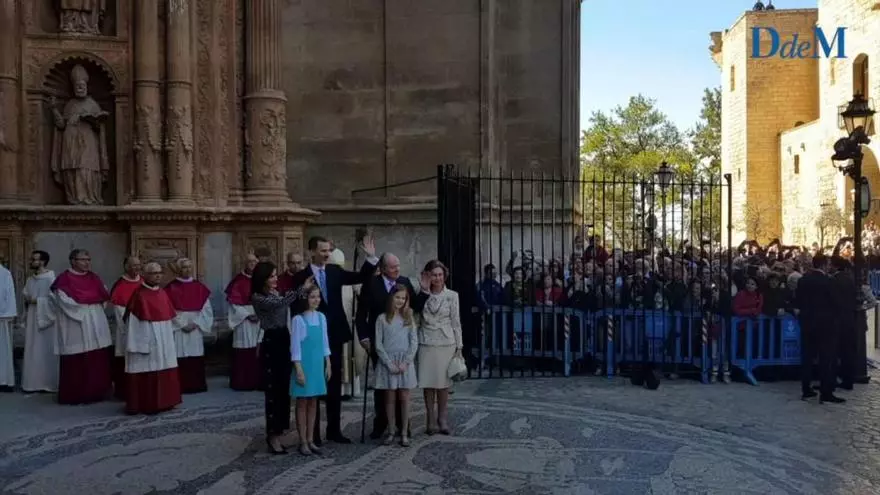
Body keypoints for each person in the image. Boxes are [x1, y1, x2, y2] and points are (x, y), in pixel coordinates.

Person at [291, 235, 378, 445]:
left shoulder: (334, 271)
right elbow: (294, 307)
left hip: (335, 334)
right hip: (310, 338)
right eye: (322, 251)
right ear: (312, 251)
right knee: (312, 385)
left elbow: (360, 277)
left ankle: (334, 430)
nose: (326, 254)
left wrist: (371, 258)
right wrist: (302, 290)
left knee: (333, 383)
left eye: (328, 251)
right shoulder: (300, 276)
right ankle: (313, 434)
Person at [356, 253, 427, 439]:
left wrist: (425, 291)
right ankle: (382, 424)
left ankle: (404, 426)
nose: (398, 269)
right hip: (378, 342)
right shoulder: (371, 283)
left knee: (403, 390)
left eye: (398, 265)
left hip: (402, 344)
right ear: (383, 268)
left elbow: (415, 307)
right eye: (393, 267)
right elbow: (362, 312)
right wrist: (363, 337)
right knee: (383, 388)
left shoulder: (405, 282)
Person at [250, 261, 307, 455]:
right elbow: (281, 303)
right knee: (273, 390)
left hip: (284, 338)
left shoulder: (276, 293)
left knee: (284, 388)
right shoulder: (258, 297)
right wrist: (300, 289)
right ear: (263, 279)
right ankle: (272, 435)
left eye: (276, 275)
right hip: (272, 341)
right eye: (272, 276)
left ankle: (281, 429)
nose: (276, 278)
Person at [51, 249, 113, 404]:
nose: (87, 263)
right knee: (77, 359)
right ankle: (75, 395)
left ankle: (98, 392)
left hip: (95, 319)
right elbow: (63, 300)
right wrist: (84, 310)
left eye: (88, 259)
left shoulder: (94, 278)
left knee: (96, 356)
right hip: (75, 322)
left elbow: (104, 296)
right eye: (83, 259)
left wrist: (93, 307)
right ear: (73, 261)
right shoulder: (64, 279)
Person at [123, 262, 182, 415]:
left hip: (164, 337)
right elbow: (133, 324)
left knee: (165, 365)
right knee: (147, 368)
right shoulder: (139, 295)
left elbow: (169, 316)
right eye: (153, 273)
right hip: (147, 336)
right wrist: (139, 344)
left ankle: (167, 401)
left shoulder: (162, 293)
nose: (157, 275)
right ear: (146, 275)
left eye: (160, 272)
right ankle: (145, 403)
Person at [417, 260, 463, 435]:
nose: (437, 278)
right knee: (428, 383)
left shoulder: (452, 295)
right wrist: (424, 291)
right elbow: (415, 313)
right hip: (426, 341)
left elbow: (456, 322)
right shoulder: (421, 293)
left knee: (443, 384)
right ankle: (429, 418)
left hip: (446, 342)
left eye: (440, 275)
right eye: (434, 275)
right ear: (428, 276)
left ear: (445, 276)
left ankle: (442, 418)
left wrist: (459, 346)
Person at [373, 284, 419, 447]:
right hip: (389, 362)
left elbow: (414, 342)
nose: (400, 301)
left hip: (404, 362)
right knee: (390, 398)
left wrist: (406, 361)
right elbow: (378, 344)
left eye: (403, 298)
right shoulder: (382, 318)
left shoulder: (409, 317)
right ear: (391, 297)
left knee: (405, 397)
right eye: (397, 297)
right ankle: (391, 430)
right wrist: (388, 363)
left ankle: (404, 431)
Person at [795, 254, 842, 403]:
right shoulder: (829, 281)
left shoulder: (803, 280)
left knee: (807, 358)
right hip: (825, 326)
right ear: (823, 265)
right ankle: (826, 392)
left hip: (808, 324)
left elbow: (799, 301)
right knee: (825, 359)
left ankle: (806, 389)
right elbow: (835, 302)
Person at [290, 285, 331, 456]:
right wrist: (298, 368)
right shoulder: (298, 320)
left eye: (318, 296)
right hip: (304, 365)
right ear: (305, 299)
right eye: (312, 297)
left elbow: (324, 342)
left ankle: (311, 438)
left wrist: (328, 362)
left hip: (317, 364)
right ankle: (302, 440)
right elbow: (296, 346)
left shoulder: (322, 317)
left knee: (314, 401)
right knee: (302, 402)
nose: (316, 300)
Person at [165, 257, 214, 394]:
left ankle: (196, 385)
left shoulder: (199, 287)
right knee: (180, 353)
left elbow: (206, 308)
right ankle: (181, 386)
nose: (187, 270)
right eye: (184, 267)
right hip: (179, 325)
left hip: (195, 325)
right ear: (178, 269)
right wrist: (181, 324)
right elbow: (168, 309)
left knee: (195, 353)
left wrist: (196, 323)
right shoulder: (170, 288)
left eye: (189, 267)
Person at [21, 251, 59, 393]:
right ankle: (32, 383)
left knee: (46, 350)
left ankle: (48, 383)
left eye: (34, 259)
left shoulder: (51, 279)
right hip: (32, 317)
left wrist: (37, 301)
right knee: (32, 348)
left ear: (42, 262)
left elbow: (55, 300)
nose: (31, 261)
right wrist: (27, 299)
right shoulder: (31, 279)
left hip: (47, 321)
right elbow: (26, 293)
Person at [225, 253, 261, 390]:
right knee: (244, 350)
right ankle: (243, 382)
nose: (252, 264)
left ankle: (258, 381)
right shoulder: (238, 281)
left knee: (259, 349)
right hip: (243, 320)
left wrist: (259, 314)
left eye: (254, 261)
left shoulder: (262, 280)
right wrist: (247, 315)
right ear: (244, 263)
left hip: (259, 319)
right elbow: (233, 304)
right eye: (249, 261)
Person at [108, 256, 142, 400]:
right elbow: (119, 310)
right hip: (127, 329)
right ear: (126, 267)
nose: (137, 268)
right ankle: (124, 392)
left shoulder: (144, 282)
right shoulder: (120, 285)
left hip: (144, 329)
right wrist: (132, 326)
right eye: (133, 265)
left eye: (139, 265)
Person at [830, 255, 858, 393]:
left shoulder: (834, 280)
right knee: (847, 351)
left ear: (834, 266)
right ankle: (848, 379)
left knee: (834, 351)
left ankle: (833, 378)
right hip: (849, 318)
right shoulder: (849, 279)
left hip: (837, 319)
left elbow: (832, 300)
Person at [0, 261, 15, 391]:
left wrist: (7, 313)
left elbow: (9, 295)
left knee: (2, 350)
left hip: (1, 317)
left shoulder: (5, 274)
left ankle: (3, 380)